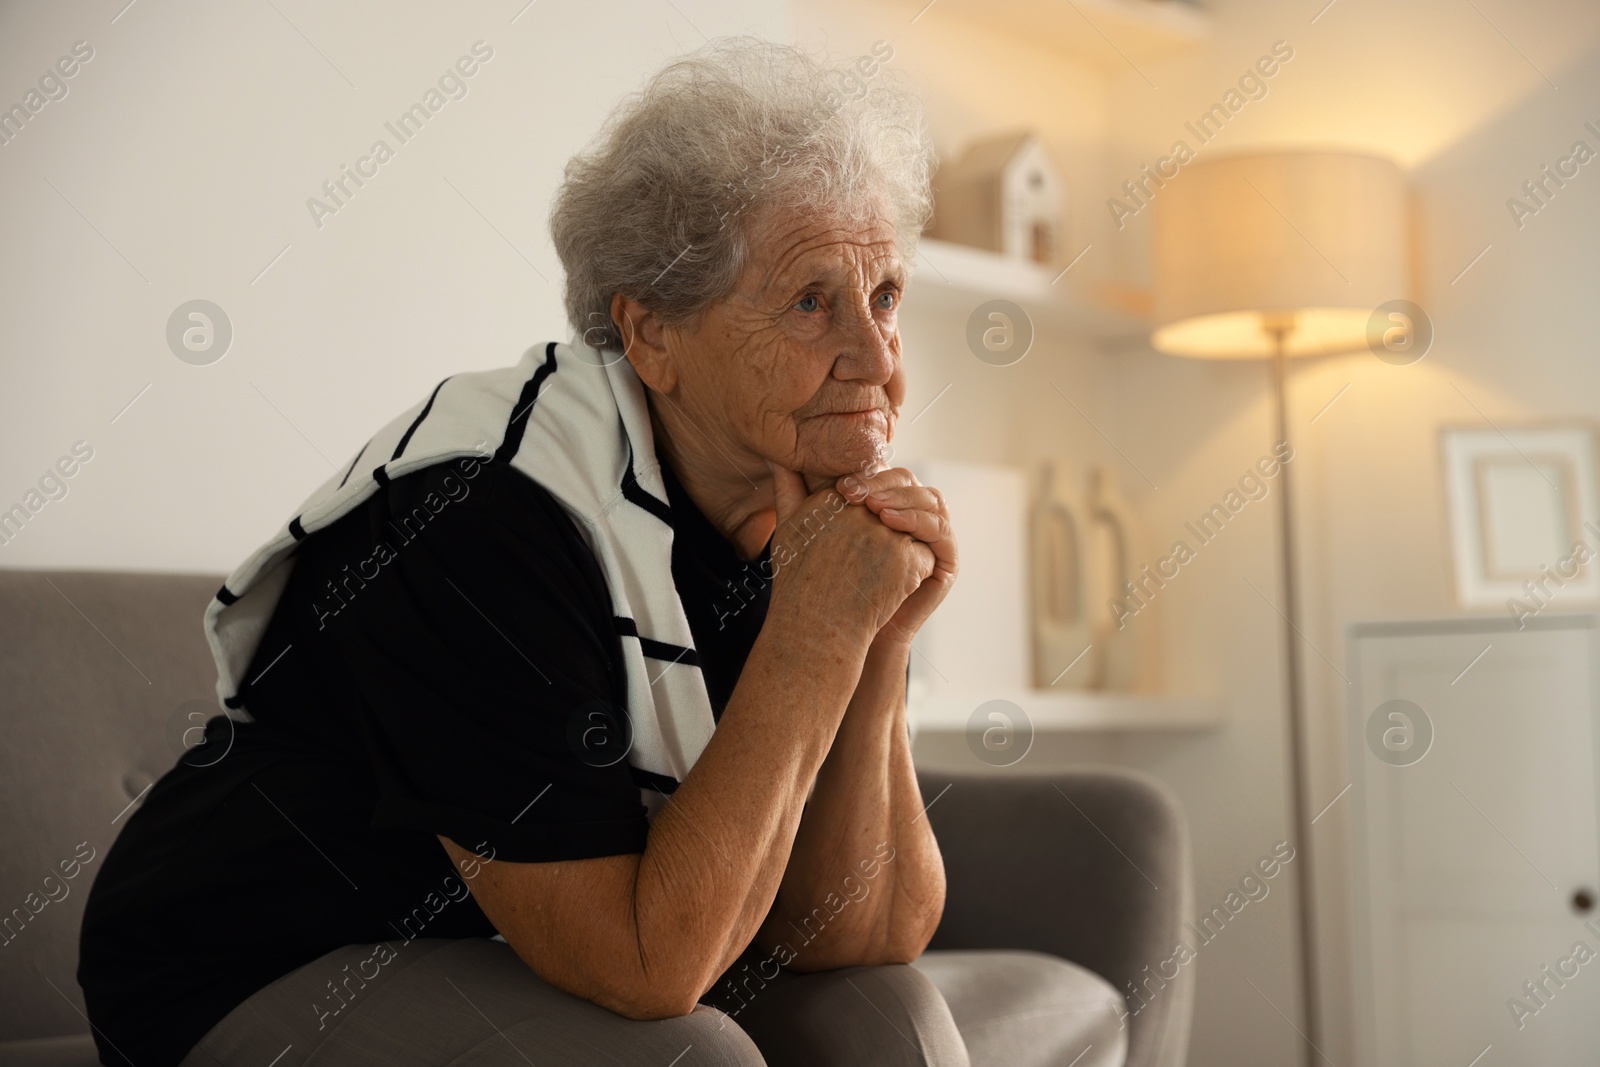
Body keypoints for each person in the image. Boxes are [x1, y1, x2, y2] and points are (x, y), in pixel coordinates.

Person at [78, 36, 1126, 1067]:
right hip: (248, 963)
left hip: (503, 943)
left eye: (886, 296)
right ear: (653, 335)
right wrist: (814, 632)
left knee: (885, 1024)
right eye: (812, 301)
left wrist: (878, 634)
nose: (877, 359)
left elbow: (864, 929)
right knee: (687, 1054)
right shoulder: (479, 516)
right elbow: (646, 965)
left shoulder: (786, 499)